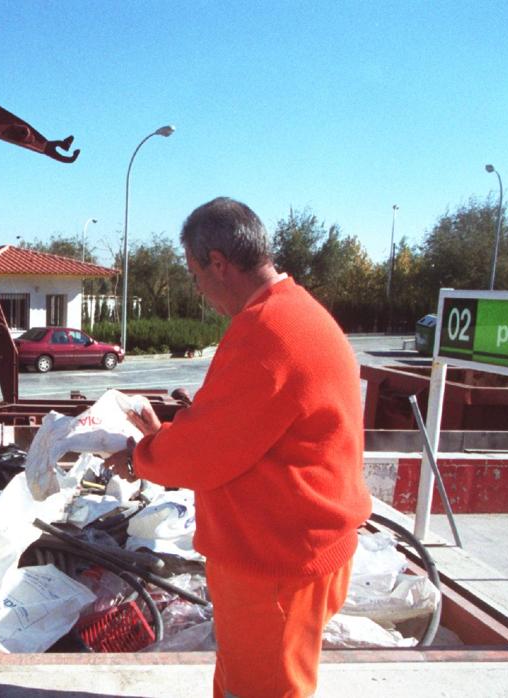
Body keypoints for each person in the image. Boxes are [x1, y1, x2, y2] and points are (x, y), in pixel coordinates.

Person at [107, 197, 370, 698]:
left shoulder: (265, 332)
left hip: (275, 562)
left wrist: (143, 457)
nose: (199, 289)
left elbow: (209, 451)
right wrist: (168, 438)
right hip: (301, 545)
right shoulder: (296, 312)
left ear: (219, 264)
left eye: (194, 274)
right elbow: (236, 428)